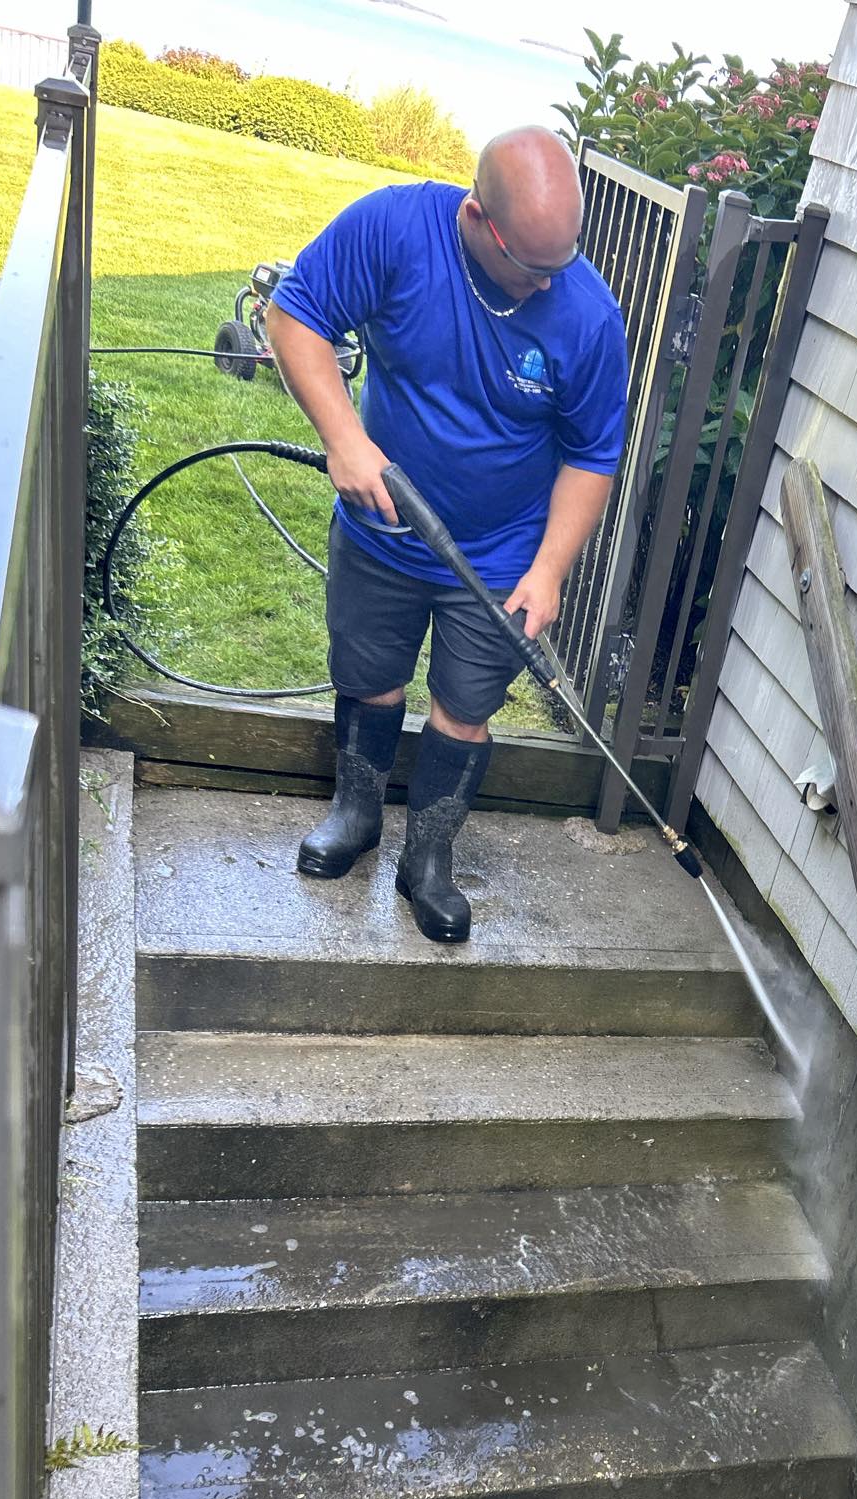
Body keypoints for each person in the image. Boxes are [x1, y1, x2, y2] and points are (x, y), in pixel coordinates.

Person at [267, 126, 628, 942]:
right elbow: (296, 314)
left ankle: (427, 859)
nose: (548, 284)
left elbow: (592, 455)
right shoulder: (395, 230)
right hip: (383, 532)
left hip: (499, 559)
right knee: (369, 678)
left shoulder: (587, 317)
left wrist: (549, 571)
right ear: (476, 218)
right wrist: (344, 441)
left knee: (465, 707)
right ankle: (356, 815)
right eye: (531, 266)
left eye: (563, 263)